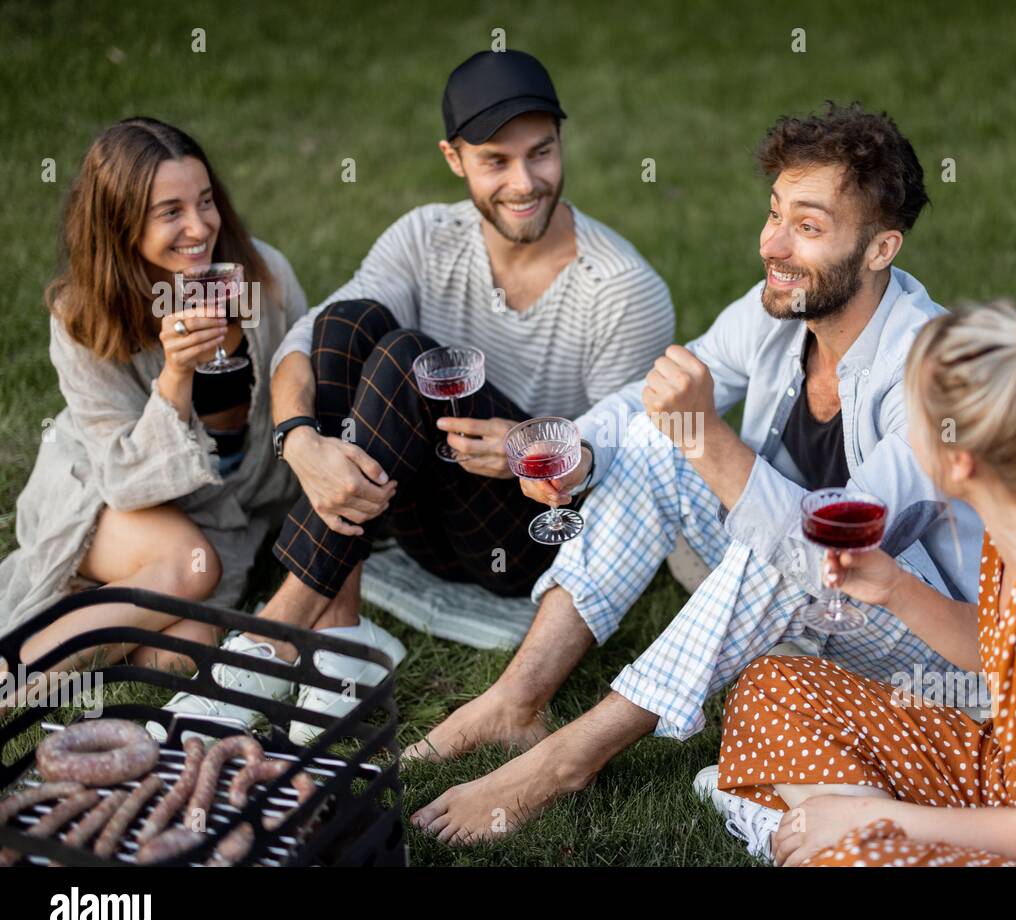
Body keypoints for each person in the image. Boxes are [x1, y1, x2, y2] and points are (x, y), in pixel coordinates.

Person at [408, 103, 986, 843]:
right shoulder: (781, 307)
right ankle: (519, 699)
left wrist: (708, 435)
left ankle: (567, 760)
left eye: (807, 226)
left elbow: (838, 551)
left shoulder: (940, 371)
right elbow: (662, 394)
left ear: (881, 249)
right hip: (800, 610)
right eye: (774, 212)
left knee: (807, 544)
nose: (771, 243)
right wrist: (581, 449)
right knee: (657, 442)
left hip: (932, 650)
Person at [156, 50, 675, 743]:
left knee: (408, 358)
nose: (526, 182)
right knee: (348, 324)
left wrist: (537, 457)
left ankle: (275, 635)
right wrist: (300, 441)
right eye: (496, 160)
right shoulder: (426, 236)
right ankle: (339, 635)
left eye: (542, 153)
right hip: (416, 511)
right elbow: (308, 343)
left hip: (531, 538)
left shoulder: (624, 289)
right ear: (453, 158)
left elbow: (634, 474)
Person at [713, 299, 1016, 866]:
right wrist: (894, 586)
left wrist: (865, 820)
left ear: (961, 461)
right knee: (772, 683)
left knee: (851, 858)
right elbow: (994, 648)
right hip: (1011, 775)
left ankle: (823, 826)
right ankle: (823, 824)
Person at [0, 117, 306, 679]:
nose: (199, 226)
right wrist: (175, 374)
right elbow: (124, 479)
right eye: (171, 212)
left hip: (214, 508)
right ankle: (14, 678)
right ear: (120, 223)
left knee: (182, 646)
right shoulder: (82, 315)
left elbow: (304, 386)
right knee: (189, 567)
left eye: (206, 201)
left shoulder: (264, 277)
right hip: (106, 489)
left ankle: (104, 602)